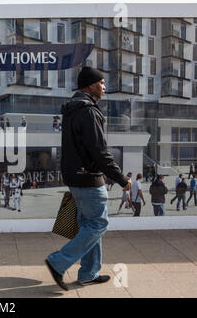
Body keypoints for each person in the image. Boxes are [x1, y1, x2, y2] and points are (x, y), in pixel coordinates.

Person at [45, 67, 132, 291]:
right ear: (89, 85)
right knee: (98, 223)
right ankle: (58, 262)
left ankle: (88, 273)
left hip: (75, 177)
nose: (104, 87)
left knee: (89, 223)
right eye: (101, 83)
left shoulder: (72, 109)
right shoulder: (89, 112)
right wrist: (122, 179)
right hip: (88, 177)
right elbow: (100, 152)